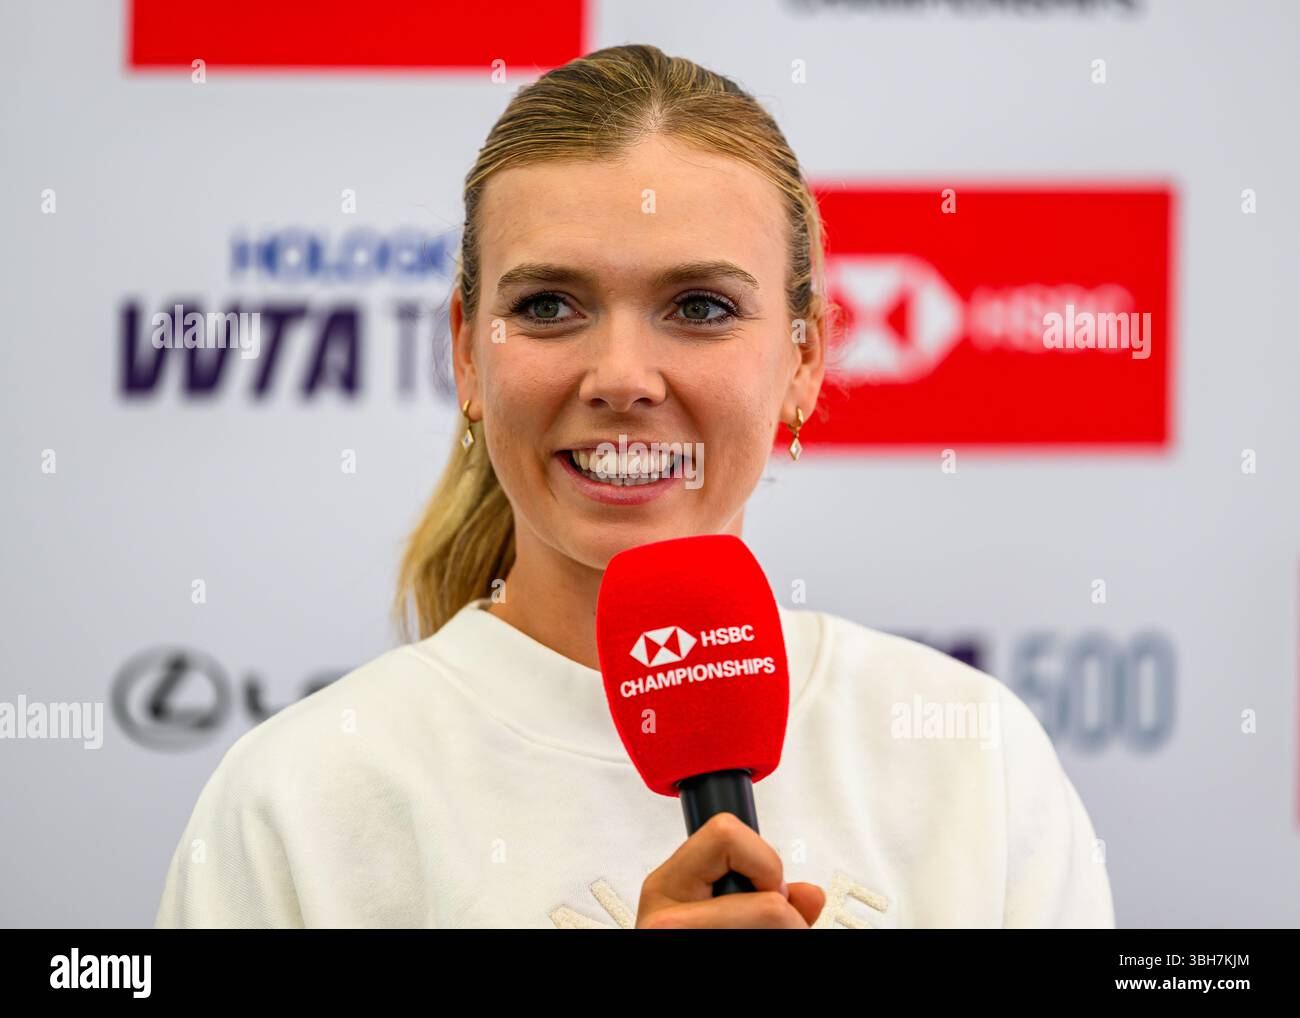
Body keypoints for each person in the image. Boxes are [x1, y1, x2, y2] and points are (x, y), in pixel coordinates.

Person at [154, 43, 1114, 929]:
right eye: (548, 306)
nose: (621, 376)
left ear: (805, 355)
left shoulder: (971, 761)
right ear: (466, 355)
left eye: (699, 307)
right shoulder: (303, 798)